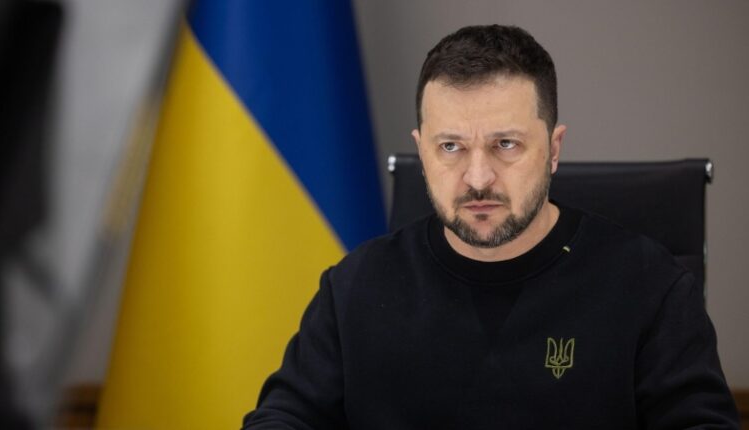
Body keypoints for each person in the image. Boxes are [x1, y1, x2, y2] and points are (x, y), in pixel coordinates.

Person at [242, 25, 739, 429]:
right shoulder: (355, 287)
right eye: (450, 147)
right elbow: (284, 417)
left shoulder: (649, 287)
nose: (478, 178)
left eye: (506, 145)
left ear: (554, 150)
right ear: (421, 151)